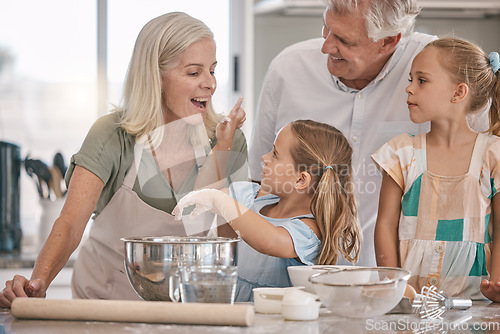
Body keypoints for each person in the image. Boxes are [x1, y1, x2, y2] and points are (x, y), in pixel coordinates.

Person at [0, 12, 248, 307]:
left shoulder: (225, 141)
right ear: (156, 77)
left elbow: (227, 242)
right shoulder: (112, 136)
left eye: (213, 70)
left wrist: (223, 151)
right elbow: (69, 224)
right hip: (104, 307)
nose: (210, 84)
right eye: (194, 73)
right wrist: (37, 283)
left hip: (188, 311)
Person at [249, 0, 468, 267]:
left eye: (344, 40)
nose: (326, 46)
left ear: (388, 41)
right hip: (295, 280)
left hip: (402, 280)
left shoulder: (438, 69)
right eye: (325, 28)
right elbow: (258, 182)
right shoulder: (287, 69)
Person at [174, 119, 362, 302]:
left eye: (275, 154)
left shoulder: (310, 231)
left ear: (300, 180)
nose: (264, 158)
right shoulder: (250, 198)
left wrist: (219, 199)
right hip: (237, 311)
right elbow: (204, 194)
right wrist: (223, 145)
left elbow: (268, 241)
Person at [372, 37, 500, 300]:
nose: (408, 89)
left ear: (458, 92)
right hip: (412, 303)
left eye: (421, 80)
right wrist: (393, 286)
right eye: (410, 79)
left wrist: (498, 280)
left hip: (477, 301)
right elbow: (385, 224)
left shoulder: (493, 154)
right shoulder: (400, 153)